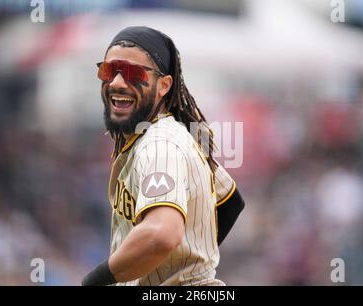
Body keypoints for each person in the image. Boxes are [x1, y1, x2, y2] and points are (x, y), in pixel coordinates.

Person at [82, 26, 244, 286]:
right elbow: (230, 201)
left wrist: (93, 282)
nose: (117, 83)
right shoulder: (164, 136)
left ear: (164, 85)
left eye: (134, 73)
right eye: (109, 71)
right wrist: (186, 257)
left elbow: (161, 235)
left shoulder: (160, 144)